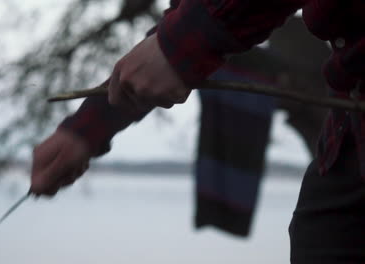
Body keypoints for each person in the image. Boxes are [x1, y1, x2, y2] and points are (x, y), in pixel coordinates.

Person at [30, 1, 365, 263]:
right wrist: (85, 131)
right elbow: (193, 15)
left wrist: (178, 48)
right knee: (323, 234)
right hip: (348, 137)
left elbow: (195, 28)